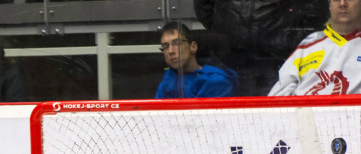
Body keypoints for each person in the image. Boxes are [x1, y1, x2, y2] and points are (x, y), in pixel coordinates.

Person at [195, 0, 329, 97]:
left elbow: (316, 12)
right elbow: (204, 7)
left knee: (275, 118)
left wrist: (289, 38)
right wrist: (224, 31)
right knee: (234, 119)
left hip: (276, 61)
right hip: (232, 59)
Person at [269, 0, 361, 96]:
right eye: (336, 0)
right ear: (329, 5)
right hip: (305, 109)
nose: (342, 4)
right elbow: (278, 95)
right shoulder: (310, 43)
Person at [155, 23, 237, 99]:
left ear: (193, 47)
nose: (170, 51)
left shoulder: (215, 81)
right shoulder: (168, 79)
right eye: (165, 46)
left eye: (177, 43)